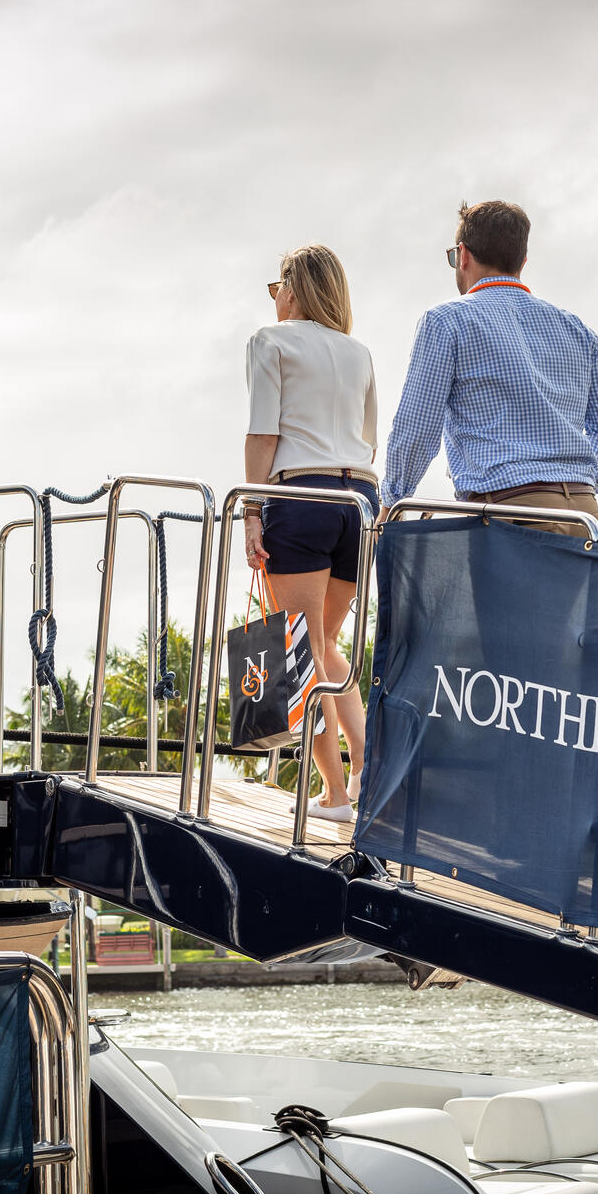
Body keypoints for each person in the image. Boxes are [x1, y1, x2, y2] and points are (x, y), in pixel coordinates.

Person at [380, 200, 598, 536]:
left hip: (509, 510)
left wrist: (392, 502)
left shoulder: (446, 321)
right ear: (522, 262)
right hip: (584, 513)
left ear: (462, 255)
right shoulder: (578, 330)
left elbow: (417, 427)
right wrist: (574, 481)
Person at [242, 245, 378, 823]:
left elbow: (262, 435)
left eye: (276, 286)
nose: (273, 297)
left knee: (299, 653)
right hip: (359, 502)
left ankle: (335, 793)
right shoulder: (359, 352)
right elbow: (369, 440)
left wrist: (250, 509)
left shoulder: (270, 343)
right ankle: (370, 773)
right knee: (324, 645)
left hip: (301, 497)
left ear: (293, 289)